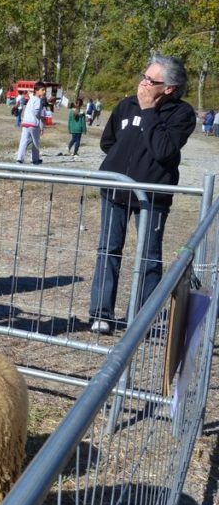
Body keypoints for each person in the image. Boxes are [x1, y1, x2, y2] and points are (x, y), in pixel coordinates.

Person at [88, 55, 197, 334]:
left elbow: (163, 150)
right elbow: (108, 142)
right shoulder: (126, 105)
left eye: (151, 80)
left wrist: (149, 112)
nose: (143, 83)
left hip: (153, 196)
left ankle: (141, 318)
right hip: (115, 191)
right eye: (144, 76)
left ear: (169, 88)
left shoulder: (181, 115)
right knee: (108, 249)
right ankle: (101, 313)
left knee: (148, 256)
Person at [15, 82, 47, 164]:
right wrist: (40, 116)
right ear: (36, 91)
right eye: (42, 90)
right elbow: (36, 112)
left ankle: (19, 159)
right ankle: (35, 160)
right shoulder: (38, 100)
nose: (44, 92)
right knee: (35, 142)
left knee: (24, 141)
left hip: (25, 123)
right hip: (33, 124)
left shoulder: (30, 100)